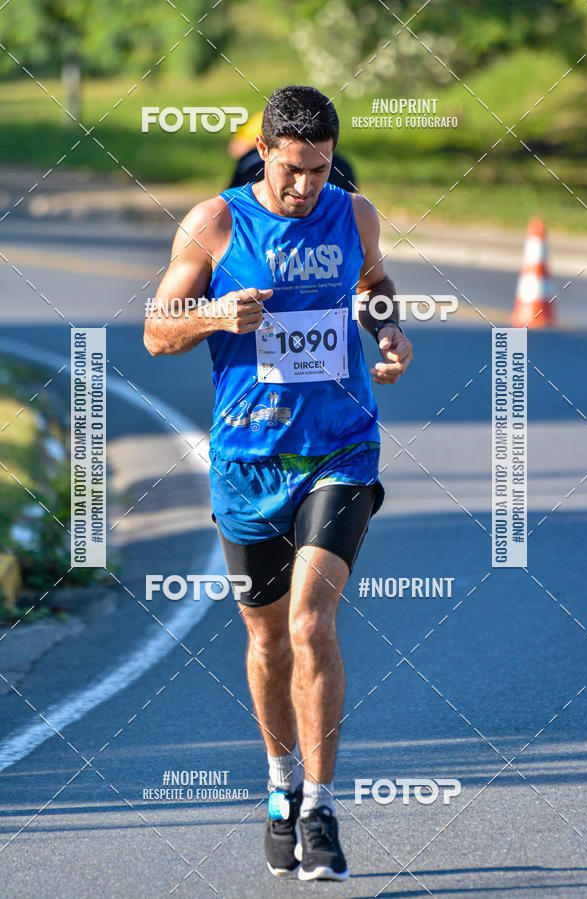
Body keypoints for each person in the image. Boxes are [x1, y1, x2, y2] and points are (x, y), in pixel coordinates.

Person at [144, 84, 413, 882]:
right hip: (248, 458)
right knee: (264, 638)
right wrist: (214, 316)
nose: (305, 189)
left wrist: (390, 332)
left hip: (340, 449)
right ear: (264, 151)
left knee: (307, 622)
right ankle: (281, 784)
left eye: (321, 171)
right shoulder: (215, 222)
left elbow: (374, 289)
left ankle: (323, 806)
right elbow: (158, 333)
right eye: (293, 171)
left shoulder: (353, 213)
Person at [227, 110, 359, 193]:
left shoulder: (249, 163)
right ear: (262, 148)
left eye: (318, 170)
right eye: (291, 169)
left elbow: (236, 148)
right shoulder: (342, 166)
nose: (303, 188)